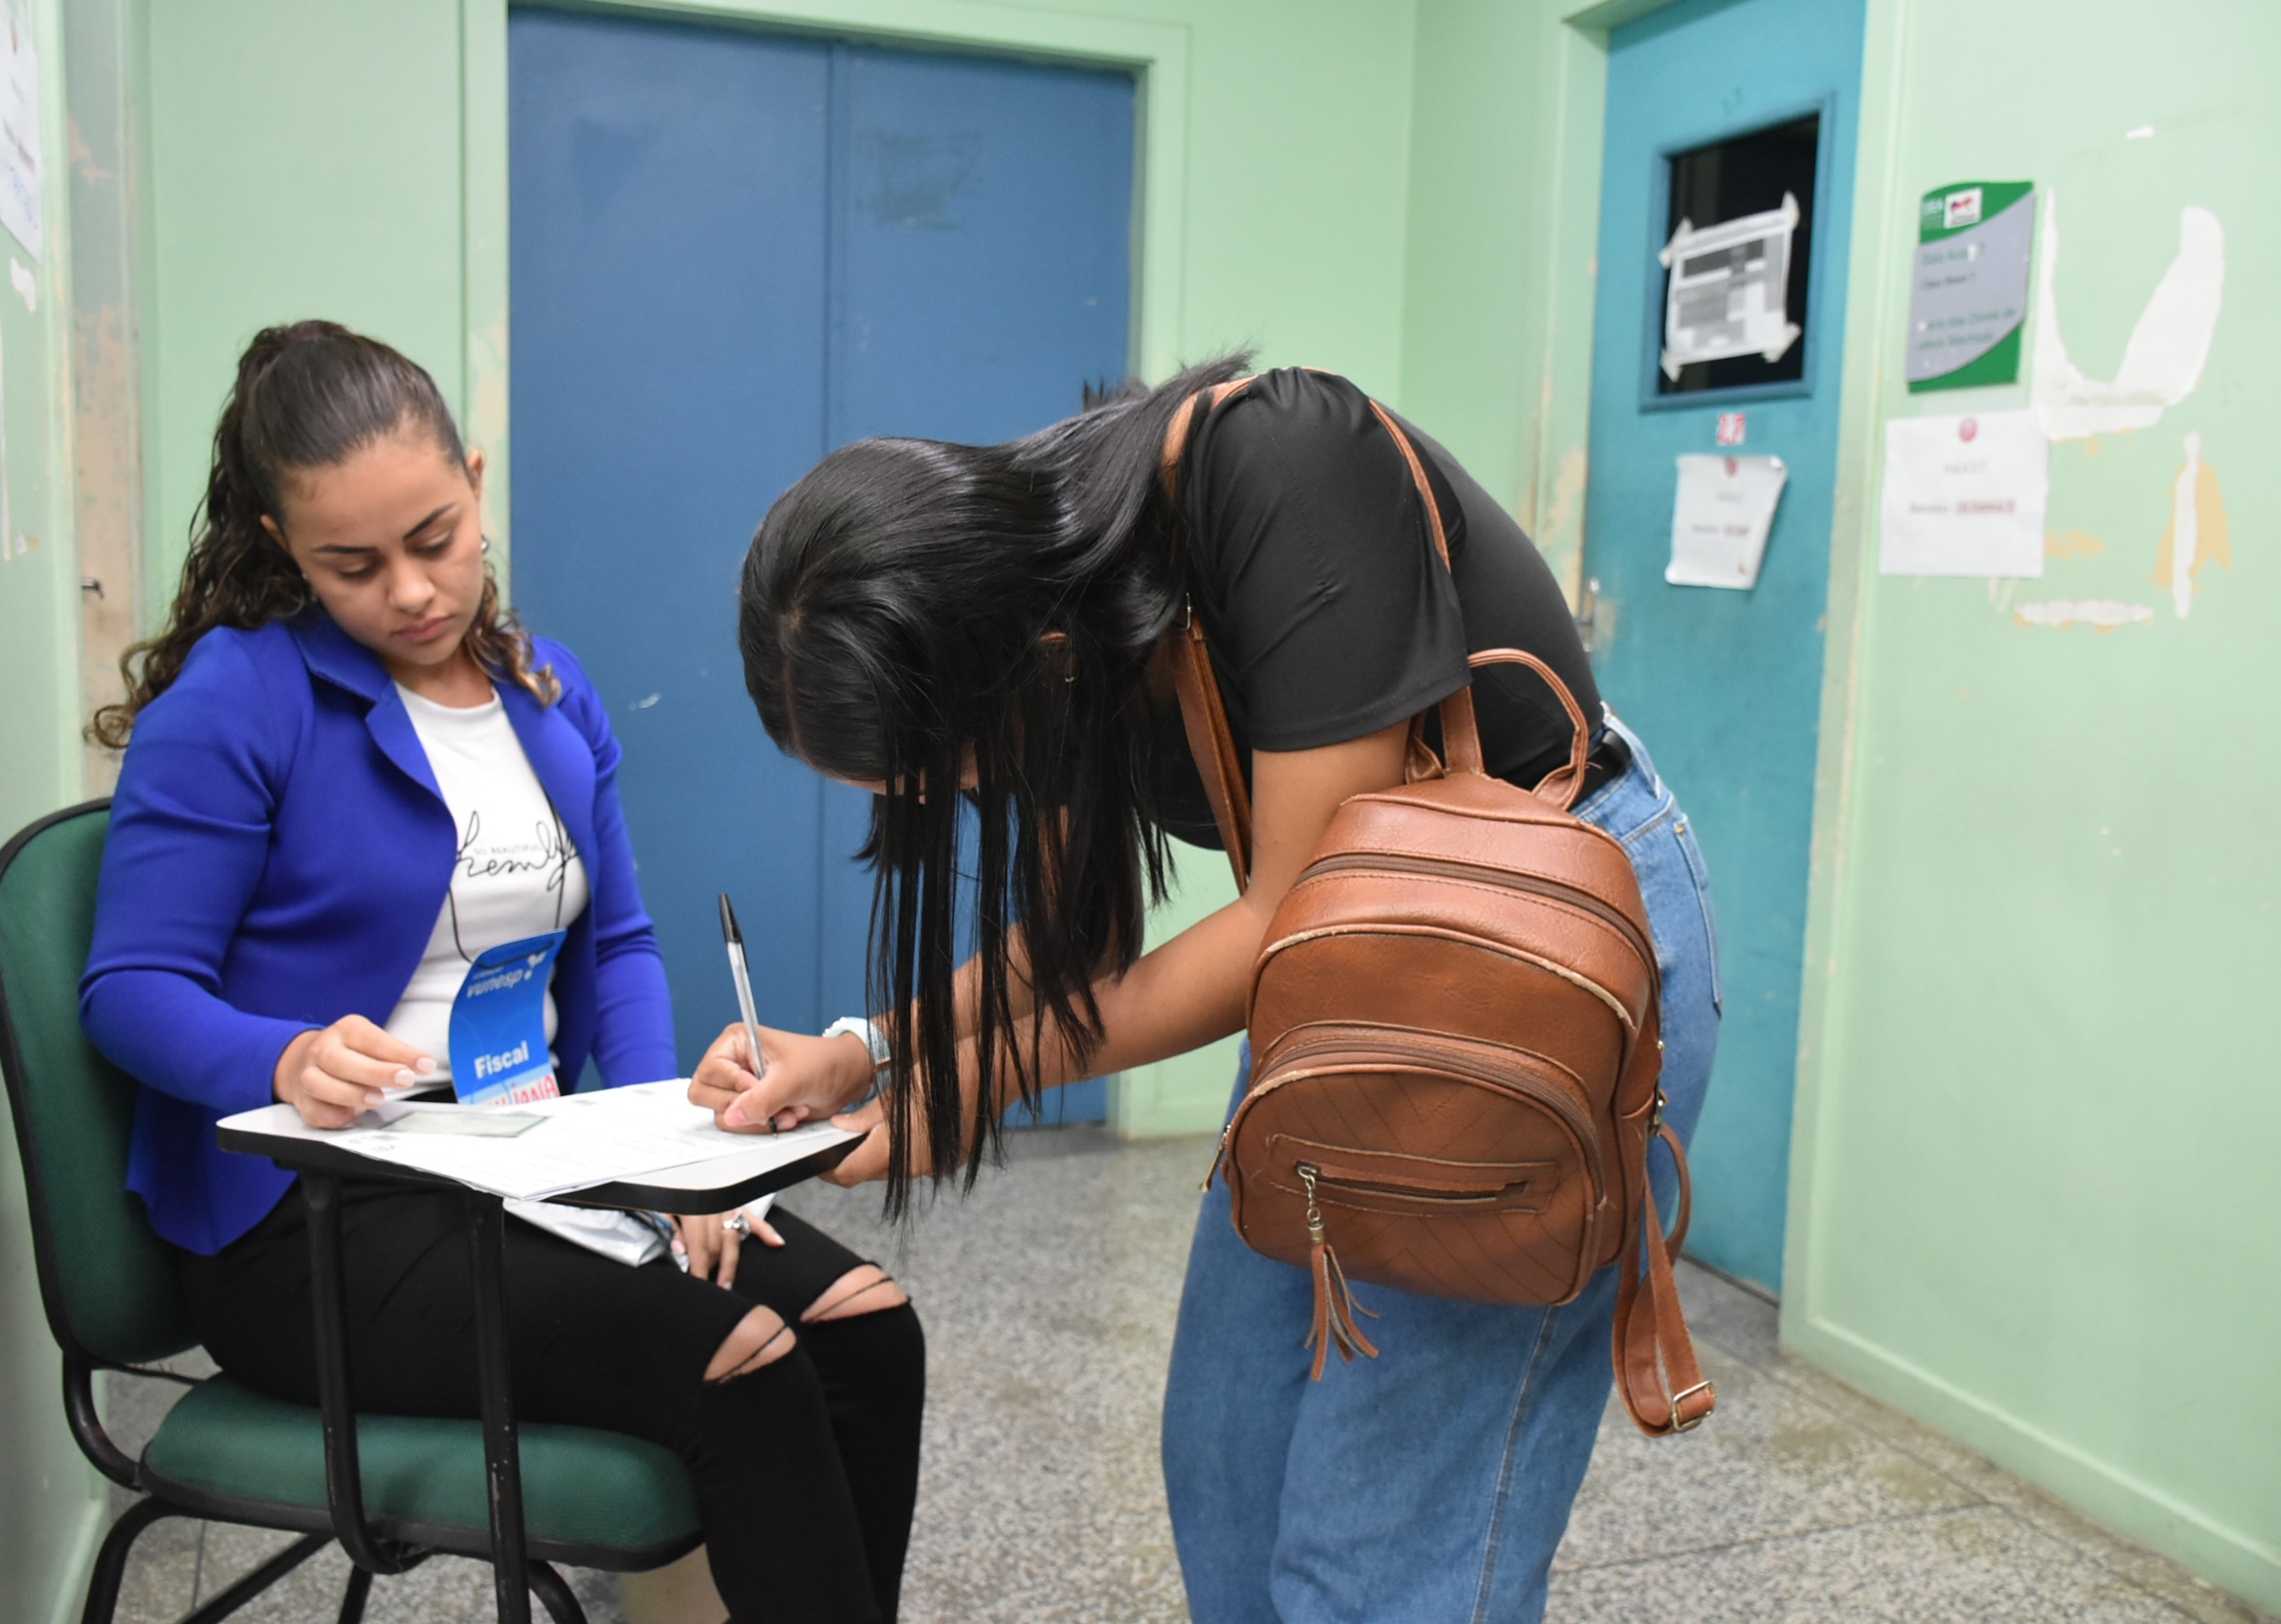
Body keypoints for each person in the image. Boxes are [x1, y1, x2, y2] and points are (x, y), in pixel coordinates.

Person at [690, 362, 1721, 1623]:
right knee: (1224, 1466)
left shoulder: (1286, 467)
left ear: (1024, 658)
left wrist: (964, 1091)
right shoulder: (1030, 604)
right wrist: (865, 1050)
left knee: (1381, 1558)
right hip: (1345, 978)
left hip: (1532, 968)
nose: (967, 797)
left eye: (953, 769)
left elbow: (1282, 916)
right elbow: (1074, 950)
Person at [82, 321, 923, 1624]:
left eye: (435, 538)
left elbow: (625, 945)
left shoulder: (544, 689)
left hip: (537, 1167)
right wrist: (283, 1057)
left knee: (869, 1329)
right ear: (276, 544)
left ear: (474, 482)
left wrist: (679, 1159)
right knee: (744, 1363)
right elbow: (128, 988)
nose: (412, 593)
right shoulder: (237, 700)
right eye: (350, 567)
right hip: (320, 1218)